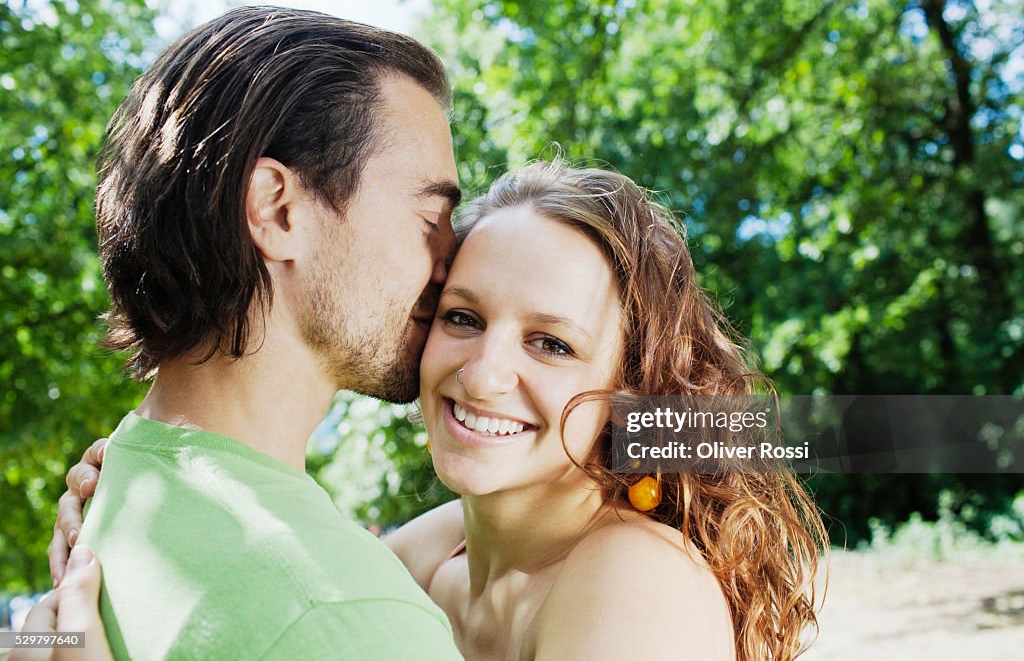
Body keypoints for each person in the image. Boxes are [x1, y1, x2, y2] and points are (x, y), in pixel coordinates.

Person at [50, 160, 827, 660]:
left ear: (634, 389)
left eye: (551, 344)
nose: (485, 374)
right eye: (462, 317)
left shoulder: (635, 581)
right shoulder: (435, 556)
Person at [18, 5, 466, 661]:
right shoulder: (341, 612)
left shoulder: (121, 489)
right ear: (277, 209)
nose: (456, 261)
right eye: (432, 217)